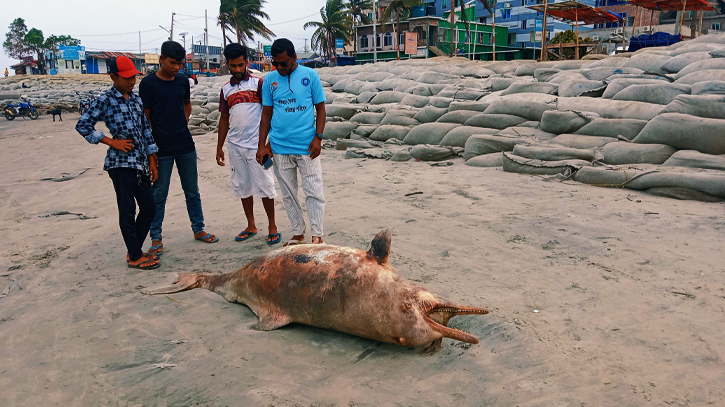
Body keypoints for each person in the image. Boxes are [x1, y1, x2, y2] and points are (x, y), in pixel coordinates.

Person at [75, 56, 160, 270]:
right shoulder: (105, 100)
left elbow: (145, 130)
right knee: (128, 209)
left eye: (133, 77)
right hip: (120, 164)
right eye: (127, 78)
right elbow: (83, 125)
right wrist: (111, 141)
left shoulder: (137, 99)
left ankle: (135, 250)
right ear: (113, 77)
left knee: (150, 207)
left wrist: (151, 158)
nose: (132, 81)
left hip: (140, 162)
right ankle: (134, 255)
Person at [139, 40, 218, 256]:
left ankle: (198, 229)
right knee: (159, 194)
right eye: (173, 63)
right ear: (161, 59)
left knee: (192, 191)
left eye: (180, 64)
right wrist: (150, 152)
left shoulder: (183, 81)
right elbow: (145, 117)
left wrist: (183, 124)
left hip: (185, 145)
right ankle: (155, 237)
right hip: (160, 148)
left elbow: (187, 105)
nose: (176, 67)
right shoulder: (147, 85)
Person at [257, 38, 327, 247]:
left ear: (294, 58)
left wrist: (318, 137)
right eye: (275, 64)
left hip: (307, 147)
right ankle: (298, 233)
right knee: (288, 194)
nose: (279, 67)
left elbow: (321, 109)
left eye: (283, 63)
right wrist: (262, 145)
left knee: (314, 191)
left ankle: (317, 235)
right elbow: (266, 114)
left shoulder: (310, 75)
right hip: (279, 148)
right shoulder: (270, 80)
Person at [216, 43, 281, 245]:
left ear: (247, 62)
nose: (237, 69)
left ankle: (272, 226)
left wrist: (268, 143)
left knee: (265, 185)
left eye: (240, 65)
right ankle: (251, 225)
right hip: (235, 146)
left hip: (257, 145)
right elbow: (224, 119)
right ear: (227, 64)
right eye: (233, 65)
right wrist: (219, 146)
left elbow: (270, 112)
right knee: (242, 186)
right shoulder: (225, 89)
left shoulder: (258, 84)